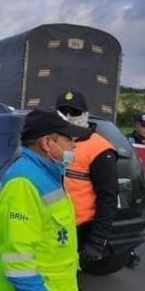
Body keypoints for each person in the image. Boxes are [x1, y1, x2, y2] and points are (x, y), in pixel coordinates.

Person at [0, 109, 91, 291]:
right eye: (69, 139)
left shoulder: (49, 173)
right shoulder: (23, 183)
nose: (74, 145)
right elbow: (18, 258)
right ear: (47, 143)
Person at [55, 91, 119, 264]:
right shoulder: (51, 141)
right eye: (63, 111)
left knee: (65, 277)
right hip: (50, 223)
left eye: (74, 112)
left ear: (84, 114)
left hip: (79, 228)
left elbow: (108, 198)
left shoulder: (100, 149)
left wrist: (96, 241)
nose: (68, 117)